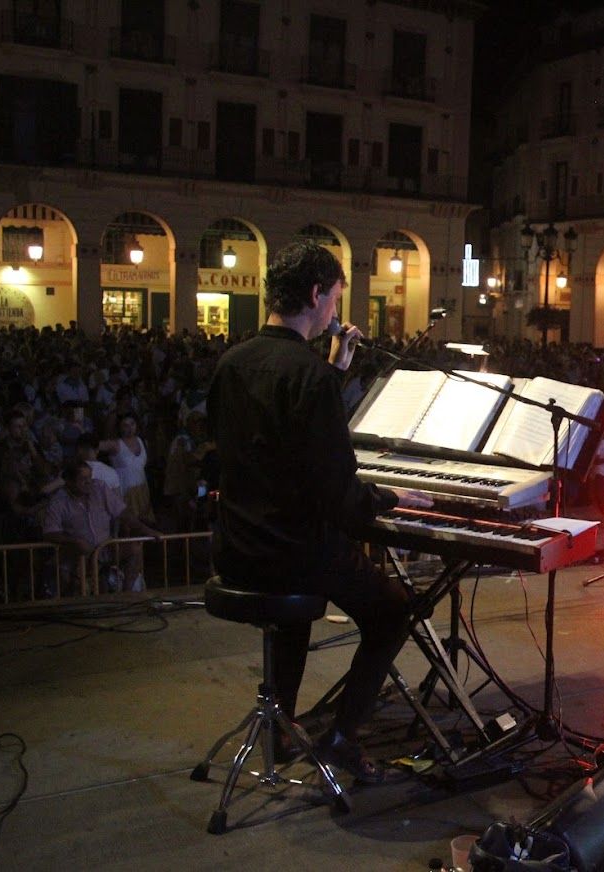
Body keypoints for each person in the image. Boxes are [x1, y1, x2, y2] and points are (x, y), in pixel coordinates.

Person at [207, 239, 433, 784]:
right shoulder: (307, 376)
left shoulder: (232, 364)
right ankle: (340, 736)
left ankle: (281, 727)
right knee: (393, 608)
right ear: (316, 295)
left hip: (237, 549)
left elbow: (274, 442)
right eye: (334, 296)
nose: (335, 308)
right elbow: (339, 496)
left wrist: (332, 372)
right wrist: (389, 498)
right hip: (292, 551)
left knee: (297, 613)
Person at [43, 459, 162, 595]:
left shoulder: (99, 487)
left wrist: (146, 530)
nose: (88, 482)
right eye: (83, 479)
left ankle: (127, 594)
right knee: (67, 580)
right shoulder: (58, 501)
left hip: (105, 548)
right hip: (76, 555)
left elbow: (122, 512)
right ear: (69, 481)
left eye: (90, 477)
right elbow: (50, 532)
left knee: (134, 548)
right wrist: (74, 542)